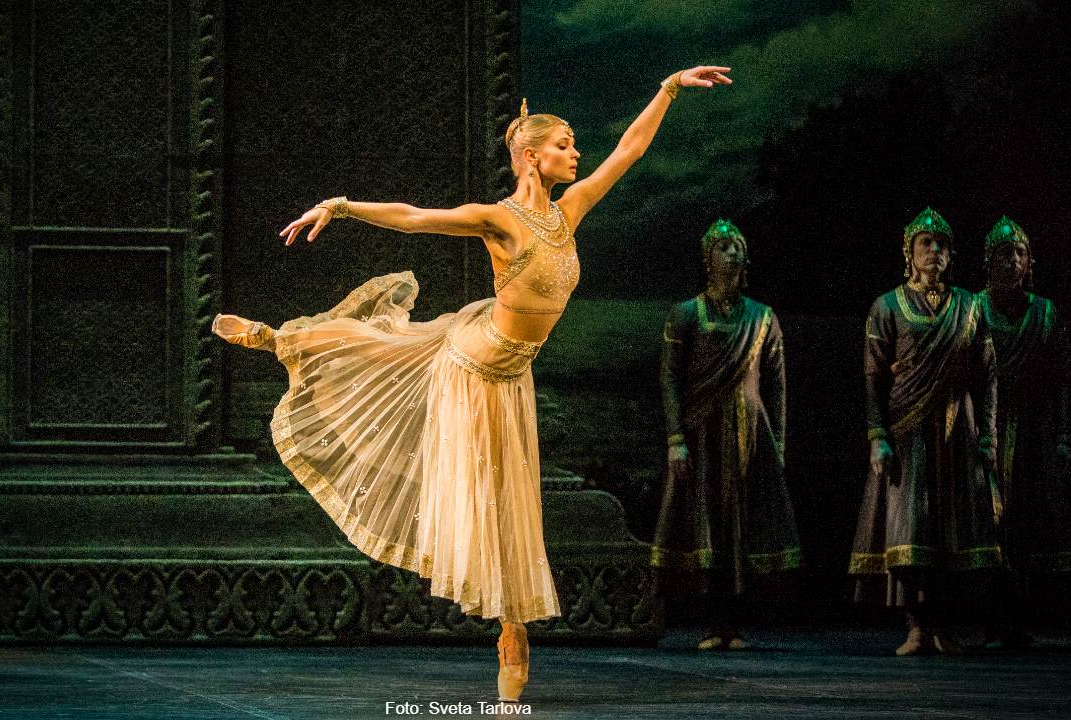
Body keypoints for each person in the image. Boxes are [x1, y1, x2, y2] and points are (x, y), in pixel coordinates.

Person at [212, 65, 733, 701]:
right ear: (531, 156)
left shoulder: (569, 213)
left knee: (514, 500)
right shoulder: (500, 220)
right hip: (477, 365)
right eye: (564, 146)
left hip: (514, 371)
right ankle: (277, 339)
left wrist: (668, 89)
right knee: (387, 349)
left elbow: (630, 148)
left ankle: (512, 627)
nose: (577, 154)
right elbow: (413, 217)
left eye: (574, 145)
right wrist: (341, 206)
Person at [848, 207, 1001, 656]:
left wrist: (988, 437)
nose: (934, 251)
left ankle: (945, 626)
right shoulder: (887, 306)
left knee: (953, 528)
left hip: (959, 428)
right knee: (910, 527)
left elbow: (988, 377)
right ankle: (915, 626)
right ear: (909, 254)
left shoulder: (971, 307)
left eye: (942, 245)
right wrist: (877, 435)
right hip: (907, 431)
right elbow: (874, 377)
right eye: (925, 245)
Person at [651, 219, 800, 650]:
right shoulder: (685, 314)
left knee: (743, 525)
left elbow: (776, 385)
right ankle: (711, 623)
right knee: (705, 523)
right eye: (723, 247)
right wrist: (676, 440)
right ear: (708, 259)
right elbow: (670, 381)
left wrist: (779, 445)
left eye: (737, 246)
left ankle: (736, 623)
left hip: (751, 437)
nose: (732, 253)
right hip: (702, 437)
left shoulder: (763, 318)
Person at [977, 216, 1071, 649]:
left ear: (1030, 262)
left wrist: (1061, 436)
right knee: (986, 525)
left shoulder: (1044, 312)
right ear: (988, 262)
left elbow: (1059, 380)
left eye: (1020, 253)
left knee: (1024, 524)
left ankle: (1018, 622)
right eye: (1005, 253)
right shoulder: (973, 309)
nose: (1013, 260)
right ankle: (989, 622)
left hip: (1031, 433)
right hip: (984, 430)